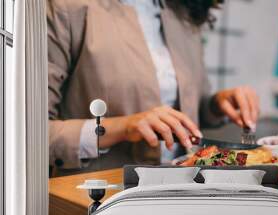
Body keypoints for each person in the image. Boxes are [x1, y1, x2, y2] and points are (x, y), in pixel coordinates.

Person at [47, 0, 259, 175]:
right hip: (102, 196)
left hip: (184, 187)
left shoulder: (182, 11)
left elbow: (189, 115)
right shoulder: (65, 8)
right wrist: (126, 127)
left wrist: (216, 104)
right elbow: (32, 134)